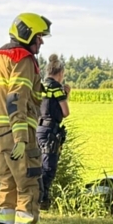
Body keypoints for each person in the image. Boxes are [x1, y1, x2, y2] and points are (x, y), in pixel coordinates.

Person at [0, 13, 55, 224]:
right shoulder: (23, 59)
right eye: (39, 36)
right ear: (27, 34)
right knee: (29, 186)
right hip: (17, 134)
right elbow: (16, 97)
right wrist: (21, 138)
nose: (41, 42)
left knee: (7, 185)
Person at [36, 53, 71, 210]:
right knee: (48, 167)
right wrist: (66, 94)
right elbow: (65, 112)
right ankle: (42, 199)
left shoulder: (41, 86)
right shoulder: (57, 88)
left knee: (37, 165)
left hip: (39, 128)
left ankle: (36, 197)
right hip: (50, 130)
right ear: (60, 73)